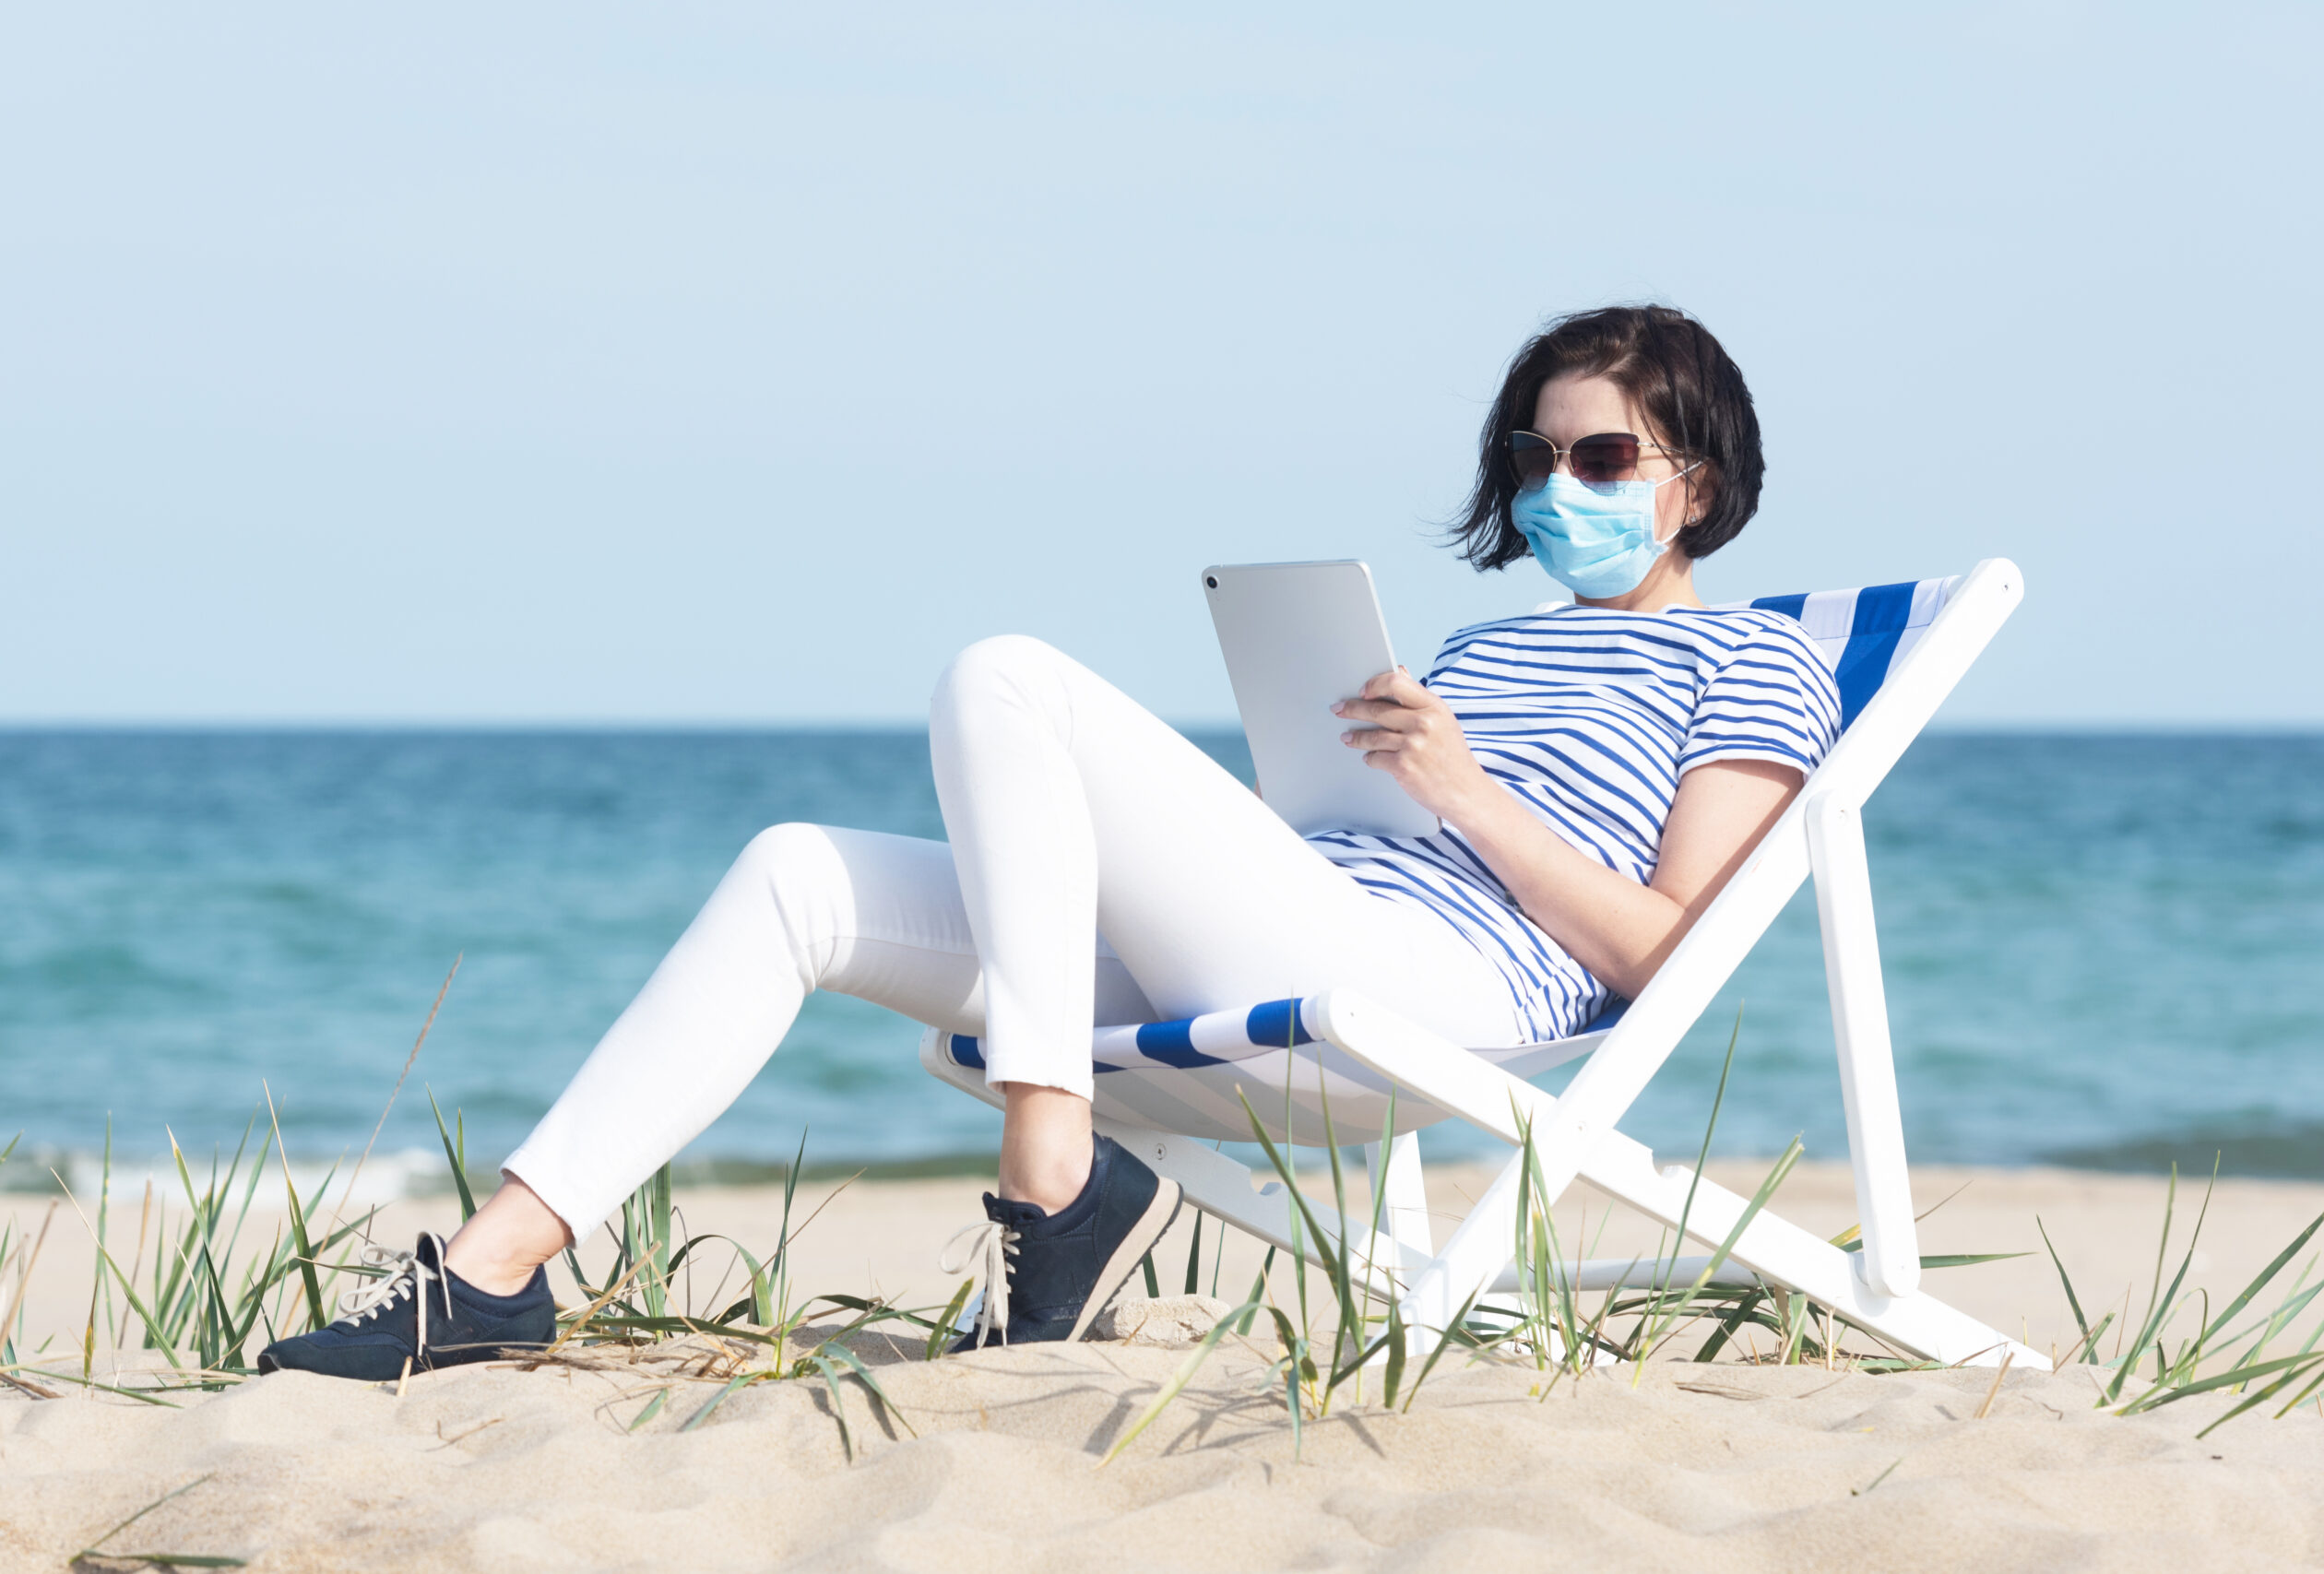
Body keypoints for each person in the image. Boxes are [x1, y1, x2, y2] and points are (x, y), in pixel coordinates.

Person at [258, 303, 1842, 1379]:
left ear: (1695, 476)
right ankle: (493, 1279)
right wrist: (1359, 787)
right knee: (801, 871)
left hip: (1429, 1007)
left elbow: (1669, 954)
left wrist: (1464, 793)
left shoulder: (1754, 662)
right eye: (1536, 457)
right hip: (1321, 940)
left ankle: (1052, 1167)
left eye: (1601, 458)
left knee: (1007, 678)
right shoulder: (1487, 654)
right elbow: (1362, 837)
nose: (1556, 485)